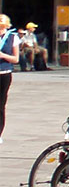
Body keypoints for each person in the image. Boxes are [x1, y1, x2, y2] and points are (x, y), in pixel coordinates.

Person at [0, 13, 21, 145]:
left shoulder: (12, 37)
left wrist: (2, 55)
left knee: (0, 106)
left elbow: (16, 59)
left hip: (4, 74)